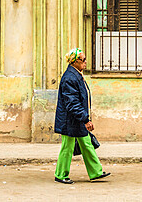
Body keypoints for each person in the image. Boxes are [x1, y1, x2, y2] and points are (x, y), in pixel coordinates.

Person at [54, 48, 110, 184]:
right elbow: (72, 103)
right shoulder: (70, 78)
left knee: (87, 144)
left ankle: (96, 172)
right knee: (67, 147)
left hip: (76, 119)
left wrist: (84, 118)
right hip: (70, 120)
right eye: (83, 60)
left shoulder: (76, 75)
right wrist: (85, 119)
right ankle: (60, 174)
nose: (85, 63)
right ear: (75, 62)